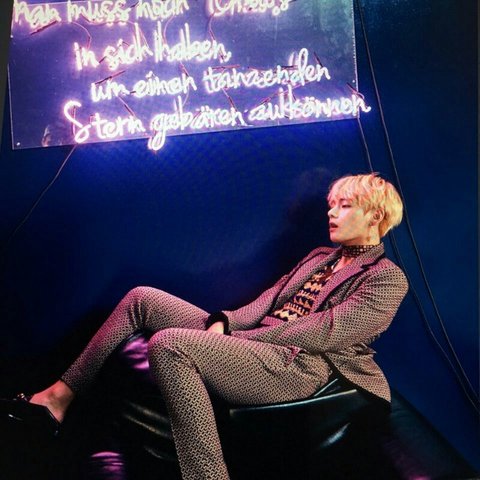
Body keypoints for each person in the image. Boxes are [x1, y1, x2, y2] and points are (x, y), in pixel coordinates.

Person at [2, 173, 408, 480]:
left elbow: (323, 332)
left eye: (344, 206)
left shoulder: (387, 278)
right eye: (331, 205)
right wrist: (224, 321)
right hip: (253, 342)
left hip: (299, 365)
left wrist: (236, 337)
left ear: (375, 215)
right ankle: (56, 399)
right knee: (142, 297)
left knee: (170, 344)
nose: (331, 213)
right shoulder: (319, 256)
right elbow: (268, 301)